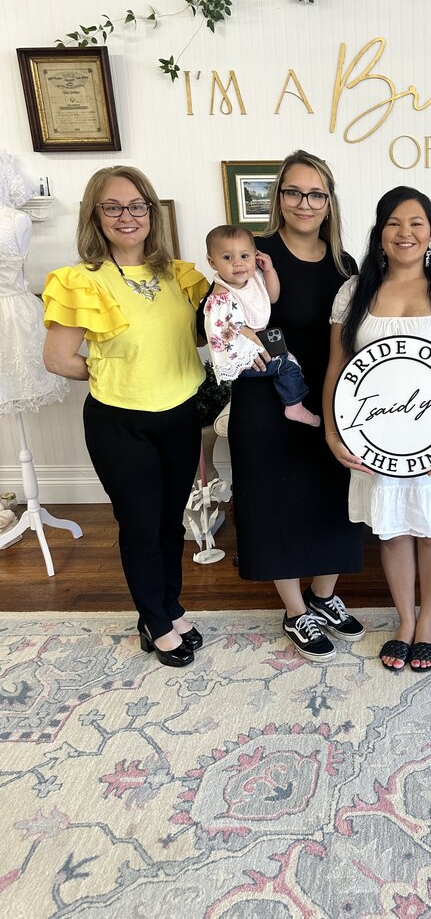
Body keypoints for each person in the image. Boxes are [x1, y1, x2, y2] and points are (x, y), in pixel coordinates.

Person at [42, 166, 209, 667]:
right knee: (139, 525)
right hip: (120, 423)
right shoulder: (79, 281)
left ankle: (169, 607)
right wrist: (116, 370)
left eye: (138, 206)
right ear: (95, 215)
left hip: (181, 415)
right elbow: (58, 358)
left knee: (170, 524)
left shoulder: (180, 275)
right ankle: (155, 622)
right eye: (112, 207)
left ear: (152, 213)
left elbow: (201, 338)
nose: (127, 216)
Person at [323, 186, 431, 672]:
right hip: (374, 437)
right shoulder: (353, 292)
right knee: (392, 532)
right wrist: (334, 434)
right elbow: (336, 369)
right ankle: (403, 621)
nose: (405, 233)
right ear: (379, 234)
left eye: (416, 223)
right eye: (394, 223)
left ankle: (429, 621)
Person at [225, 150, 365, 661]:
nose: (304, 203)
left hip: (331, 397)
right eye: (293, 192)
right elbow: (216, 315)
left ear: (329, 203)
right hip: (264, 400)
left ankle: (324, 597)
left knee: (334, 497)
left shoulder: (345, 265)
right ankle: (293, 610)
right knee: (273, 504)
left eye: (316, 194)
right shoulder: (251, 255)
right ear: (278, 198)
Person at [203, 224, 319, 426]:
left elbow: (272, 297)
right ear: (212, 262)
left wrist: (269, 270)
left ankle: (291, 401)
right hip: (243, 355)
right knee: (288, 365)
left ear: (254, 255)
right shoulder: (221, 295)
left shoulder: (253, 278)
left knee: (286, 362)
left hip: (258, 344)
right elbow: (222, 329)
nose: (238, 263)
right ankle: (294, 406)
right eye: (228, 258)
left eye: (245, 256)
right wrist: (246, 332)